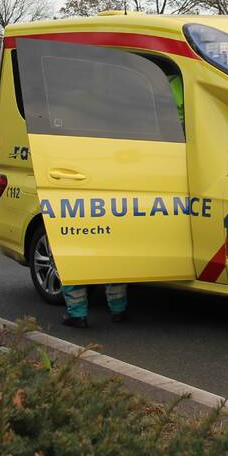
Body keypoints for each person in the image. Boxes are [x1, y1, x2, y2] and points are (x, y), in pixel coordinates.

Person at [60, 69, 182, 329]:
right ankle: (118, 309)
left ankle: (77, 313)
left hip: (82, 198)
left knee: (75, 257)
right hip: (115, 197)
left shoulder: (70, 115)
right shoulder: (122, 121)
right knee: (112, 256)